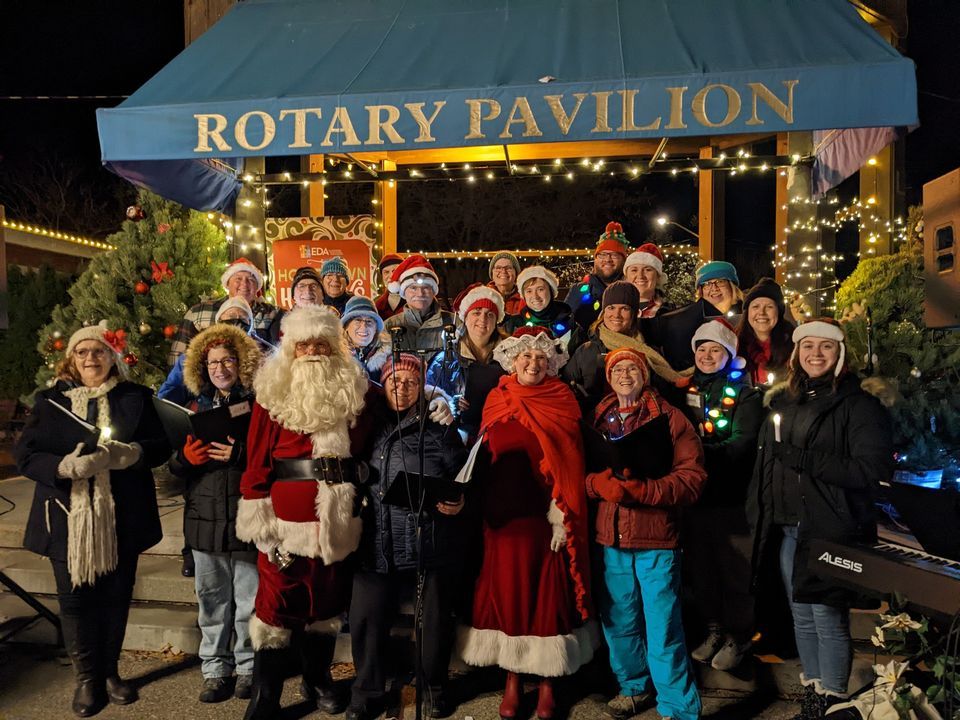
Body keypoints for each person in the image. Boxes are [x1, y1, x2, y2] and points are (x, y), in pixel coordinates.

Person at [15, 324, 170, 717]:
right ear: (71, 358)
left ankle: (111, 672)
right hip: (67, 518)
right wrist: (63, 467)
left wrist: (131, 454)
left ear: (112, 357)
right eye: (82, 352)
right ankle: (87, 679)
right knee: (75, 599)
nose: (90, 358)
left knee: (116, 595)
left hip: (122, 515)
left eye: (98, 351)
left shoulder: (135, 397)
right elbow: (26, 455)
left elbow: (160, 446)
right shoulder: (50, 402)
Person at [747, 318, 893, 719]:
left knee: (827, 618)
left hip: (830, 530)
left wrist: (804, 460)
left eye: (826, 346)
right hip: (789, 529)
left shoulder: (858, 405)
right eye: (808, 346)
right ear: (797, 354)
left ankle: (832, 702)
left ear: (840, 354)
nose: (816, 353)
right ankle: (814, 697)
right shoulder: (787, 401)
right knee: (802, 617)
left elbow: (872, 470)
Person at [235, 305, 370, 720]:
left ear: (335, 349)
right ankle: (266, 695)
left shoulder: (355, 391)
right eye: (304, 345)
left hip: (336, 521)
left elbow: (398, 407)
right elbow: (257, 461)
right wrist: (260, 521)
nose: (312, 353)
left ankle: (318, 678)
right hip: (284, 526)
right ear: (291, 349)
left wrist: (434, 399)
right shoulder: (271, 395)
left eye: (321, 345)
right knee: (275, 609)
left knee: (326, 606)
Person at [459, 328, 595, 720]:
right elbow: (482, 457)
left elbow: (571, 461)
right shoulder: (497, 398)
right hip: (502, 517)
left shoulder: (562, 398)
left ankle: (549, 681)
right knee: (508, 594)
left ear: (550, 364)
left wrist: (561, 516)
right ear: (513, 361)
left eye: (540, 358)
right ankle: (513, 678)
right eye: (526, 357)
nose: (533, 364)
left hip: (544, 519)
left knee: (547, 596)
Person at [586, 348, 706, 720]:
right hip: (611, 539)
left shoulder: (670, 418)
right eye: (618, 369)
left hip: (656, 539)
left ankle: (678, 707)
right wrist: (596, 485)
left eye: (632, 369)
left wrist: (645, 491)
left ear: (645, 376)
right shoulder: (597, 418)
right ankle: (634, 687)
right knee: (619, 622)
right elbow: (579, 472)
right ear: (609, 377)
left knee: (662, 625)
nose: (625, 375)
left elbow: (692, 478)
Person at [348, 354, 466, 720]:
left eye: (411, 382)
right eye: (395, 381)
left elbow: (462, 473)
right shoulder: (367, 424)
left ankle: (433, 688)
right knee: (366, 614)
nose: (402, 388)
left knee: (434, 617)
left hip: (426, 539)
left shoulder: (438, 426)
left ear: (422, 387)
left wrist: (459, 499)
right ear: (383, 385)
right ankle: (367, 691)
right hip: (376, 539)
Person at [167, 323, 261, 704]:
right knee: (211, 599)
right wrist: (184, 459)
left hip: (246, 514)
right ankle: (215, 669)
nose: (220, 369)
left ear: (241, 363)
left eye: (227, 361)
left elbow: (273, 457)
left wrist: (242, 454)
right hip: (204, 517)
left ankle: (248, 667)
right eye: (212, 363)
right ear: (202, 369)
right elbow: (171, 469)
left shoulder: (258, 405)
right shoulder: (193, 408)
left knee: (248, 598)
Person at [680, 319, 763, 672]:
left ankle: (738, 635)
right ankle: (713, 629)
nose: (707, 355)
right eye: (702, 349)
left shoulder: (745, 395)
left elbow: (742, 444)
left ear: (729, 354)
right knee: (702, 569)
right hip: (695, 498)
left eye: (716, 349)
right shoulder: (685, 390)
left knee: (734, 571)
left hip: (731, 499)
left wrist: (695, 456)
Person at [562, 281, 690, 413]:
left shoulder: (650, 353)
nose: (616, 314)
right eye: (611, 307)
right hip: (594, 421)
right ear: (604, 311)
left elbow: (665, 398)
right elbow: (565, 390)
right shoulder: (586, 351)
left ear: (634, 314)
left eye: (624, 308)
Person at [426, 285, 507, 440]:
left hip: (498, 431)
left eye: (490, 314)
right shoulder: (446, 357)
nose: (483, 319)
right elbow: (429, 394)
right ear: (465, 317)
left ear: (496, 321)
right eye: (477, 312)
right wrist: (448, 402)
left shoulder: (509, 355)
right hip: (458, 436)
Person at [169, 257, 277, 365]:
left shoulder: (272, 314)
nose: (244, 284)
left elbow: (281, 356)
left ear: (257, 287)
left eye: (251, 279)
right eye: (238, 279)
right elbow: (178, 356)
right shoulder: (198, 312)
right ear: (228, 283)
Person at [643, 260, 743, 371]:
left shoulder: (748, 314)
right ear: (701, 291)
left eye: (720, 282)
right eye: (707, 284)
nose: (714, 288)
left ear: (732, 286)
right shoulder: (683, 319)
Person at [384, 254, 458, 361]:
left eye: (426, 287)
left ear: (433, 291)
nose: (420, 293)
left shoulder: (454, 323)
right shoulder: (389, 326)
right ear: (403, 292)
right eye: (413, 288)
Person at [564, 221, 629, 331]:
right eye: (602, 254)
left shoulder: (630, 292)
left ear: (624, 260)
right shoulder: (578, 291)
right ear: (595, 259)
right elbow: (563, 328)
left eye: (614, 255)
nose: (607, 259)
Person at [737, 278, 795, 387]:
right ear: (747, 312)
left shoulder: (793, 345)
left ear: (778, 312)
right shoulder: (735, 344)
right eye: (755, 306)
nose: (761, 312)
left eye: (769, 307)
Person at [503, 266, 575, 342]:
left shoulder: (569, 322)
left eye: (540, 289)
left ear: (551, 291)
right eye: (529, 291)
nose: (535, 296)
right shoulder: (513, 325)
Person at [268, 265, 323, 343]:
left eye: (313, 286)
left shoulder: (333, 321)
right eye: (302, 286)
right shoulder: (279, 325)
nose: (308, 291)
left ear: (322, 294)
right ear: (293, 295)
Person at [342, 295, 390, 383]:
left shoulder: (389, 358)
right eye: (358, 320)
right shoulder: (335, 356)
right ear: (346, 326)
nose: (364, 326)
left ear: (376, 329)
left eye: (369, 321)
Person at [623, 243, 669, 318]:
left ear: (658, 276)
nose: (640, 276)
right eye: (634, 270)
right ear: (626, 277)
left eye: (648, 270)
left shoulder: (670, 311)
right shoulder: (614, 308)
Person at [487, 251, 524, 316]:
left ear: (515, 273)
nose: (503, 271)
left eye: (508, 268)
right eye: (498, 268)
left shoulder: (524, 297)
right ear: (492, 273)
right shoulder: (482, 296)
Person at [374, 253, 405, 320]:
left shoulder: (415, 299)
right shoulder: (377, 305)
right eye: (386, 272)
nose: (391, 276)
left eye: (395, 271)